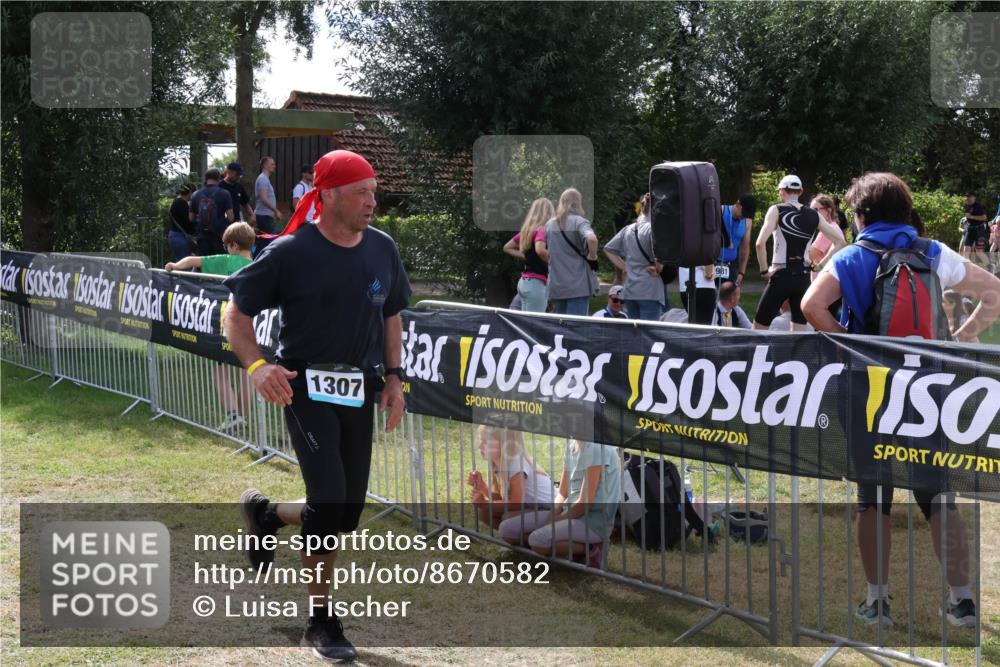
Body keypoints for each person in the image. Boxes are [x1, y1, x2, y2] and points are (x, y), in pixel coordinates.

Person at [224, 149, 411, 662]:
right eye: (362, 193)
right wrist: (259, 368)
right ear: (328, 195)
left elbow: (391, 314)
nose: (373, 202)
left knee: (344, 511)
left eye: (374, 192)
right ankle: (322, 621)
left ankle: (267, 514)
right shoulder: (290, 252)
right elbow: (235, 315)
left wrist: (395, 379)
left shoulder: (383, 249)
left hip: (359, 389)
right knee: (329, 500)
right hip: (303, 387)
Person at [802, 172, 1000, 629]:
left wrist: (853, 345)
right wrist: (957, 341)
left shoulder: (853, 255)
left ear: (862, 215)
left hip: (869, 391)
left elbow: (813, 306)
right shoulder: (933, 252)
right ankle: (962, 601)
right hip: (928, 391)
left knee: (872, 497)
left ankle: (877, 602)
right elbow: (993, 294)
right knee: (938, 495)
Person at [166, 222, 256, 431]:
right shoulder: (257, 265)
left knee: (219, 370)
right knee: (245, 372)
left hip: (224, 324)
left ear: (233, 245)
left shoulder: (225, 260)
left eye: (226, 246)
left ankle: (233, 415)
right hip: (249, 327)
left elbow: (191, 260)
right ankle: (243, 417)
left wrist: (174, 266)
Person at [497, 439, 621, 569]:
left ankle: (593, 548)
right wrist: (553, 513)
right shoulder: (571, 445)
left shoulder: (597, 446)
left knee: (538, 540)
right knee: (506, 530)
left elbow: (585, 503)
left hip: (593, 520)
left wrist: (557, 520)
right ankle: (562, 542)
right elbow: (562, 493)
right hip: (569, 512)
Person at [753, 174, 845, 331]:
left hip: (780, 275)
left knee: (758, 329)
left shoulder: (776, 210)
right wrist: (819, 266)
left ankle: (756, 356)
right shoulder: (813, 214)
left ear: (781, 191)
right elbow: (841, 242)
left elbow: (760, 243)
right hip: (803, 277)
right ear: (801, 191)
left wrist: (764, 272)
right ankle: (797, 356)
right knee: (798, 334)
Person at [468, 426, 554, 529]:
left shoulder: (516, 464)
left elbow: (516, 505)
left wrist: (485, 504)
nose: (480, 446)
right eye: (481, 440)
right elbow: (501, 499)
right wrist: (483, 487)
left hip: (550, 508)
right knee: (484, 512)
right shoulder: (496, 462)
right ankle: (515, 542)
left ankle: (528, 542)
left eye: (486, 442)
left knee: (507, 518)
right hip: (531, 507)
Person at [603, 193, 666, 320]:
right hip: (649, 289)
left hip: (630, 290)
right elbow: (659, 256)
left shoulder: (628, 229)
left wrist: (625, 267)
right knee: (649, 334)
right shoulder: (654, 229)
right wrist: (658, 268)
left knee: (634, 334)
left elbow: (608, 249)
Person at [545, 188, 599, 316]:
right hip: (578, 285)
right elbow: (591, 238)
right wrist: (593, 255)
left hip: (557, 285)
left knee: (561, 328)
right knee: (576, 328)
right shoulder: (579, 221)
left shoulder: (549, 224)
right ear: (578, 202)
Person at [502, 197, 554, 312]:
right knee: (534, 324)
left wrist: (527, 257)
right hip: (536, 284)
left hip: (524, 282)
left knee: (524, 323)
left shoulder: (527, 231)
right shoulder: (542, 230)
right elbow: (540, 250)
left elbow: (507, 247)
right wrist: (557, 260)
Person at [189, 168, 234, 256]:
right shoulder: (225, 193)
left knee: (204, 265)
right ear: (219, 179)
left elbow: (191, 218)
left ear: (205, 179)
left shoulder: (195, 194)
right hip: (219, 236)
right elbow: (231, 217)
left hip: (202, 237)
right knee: (219, 264)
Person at [719, 194, 757, 285]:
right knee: (711, 296)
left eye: (747, 215)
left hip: (731, 264)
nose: (744, 217)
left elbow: (744, 248)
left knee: (731, 296)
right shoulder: (720, 211)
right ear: (737, 204)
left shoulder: (747, 221)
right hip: (712, 263)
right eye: (743, 213)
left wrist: (741, 272)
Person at [167, 184, 196, 261]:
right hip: (180, 237)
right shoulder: (182, 204)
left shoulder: (176, 201)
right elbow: (188, 222)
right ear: (190, 193)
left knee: (180, 261)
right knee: (184, 264)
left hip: (174, 235)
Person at [959, 191, 989, 265]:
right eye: (967, 197)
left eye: (970, 197)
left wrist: (972, 217)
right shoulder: (966, 206)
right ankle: (965, 270)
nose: (968, 198)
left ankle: (990, 266)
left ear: (974, 198)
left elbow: (984, 218)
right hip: (970, 229)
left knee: (979, 252)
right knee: (965, 250)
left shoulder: (978, 206)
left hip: (979, 230)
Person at [254, 156, 281, 234]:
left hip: (266, 216)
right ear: (265, 165)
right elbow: (263, 198)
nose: (274, 166)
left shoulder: (265, 179)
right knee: (269, 241)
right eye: (272, 164)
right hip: (264, 217)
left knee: (265, 241)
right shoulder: (263, 179)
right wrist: (276, 211)